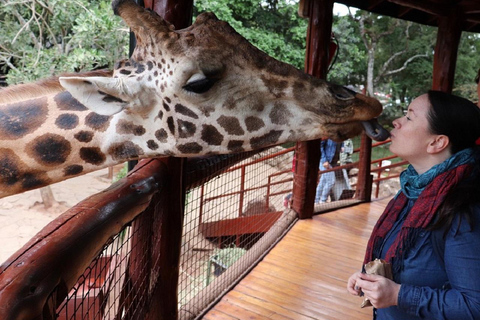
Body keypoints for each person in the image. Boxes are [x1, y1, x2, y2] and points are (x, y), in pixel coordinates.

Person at [347, 90, 480, 319]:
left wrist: (398, 295)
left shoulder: (460, 211)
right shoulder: (412, 191)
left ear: (437, 142)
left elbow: (473, 305)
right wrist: (368, 278)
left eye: (409, 117)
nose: (396, 122)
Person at [315, 139, 341, 203]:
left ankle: (316, 200)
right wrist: (324, 160)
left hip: (331, 161)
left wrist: (342, 146)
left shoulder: (339, 134)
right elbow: (320, 146)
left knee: (323, 181)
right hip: (325, 161)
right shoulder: (327, 136)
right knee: (331, 181)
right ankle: (323, 200)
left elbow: (341, 141)